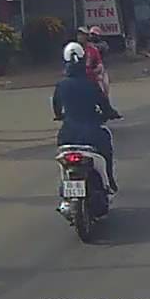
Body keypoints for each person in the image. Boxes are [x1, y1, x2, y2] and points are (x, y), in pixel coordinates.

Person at [54, 43, 121, 195]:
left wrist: (60, 116)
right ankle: (109, 180)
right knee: (106, 149)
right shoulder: (91, 84)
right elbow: (105, 106)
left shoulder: (61, 85)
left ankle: (65, 184)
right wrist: (110, 113)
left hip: (67, 135)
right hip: (92, 134)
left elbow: (56, 108)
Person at [76, 26, 110, 97]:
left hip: (97, 71)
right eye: (92, 34)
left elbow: (99, 62)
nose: (93, 36)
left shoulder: (100, 45)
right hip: (80, 76)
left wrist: (98, 70)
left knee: (105, 85)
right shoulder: (75, 48)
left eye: (95, 35)